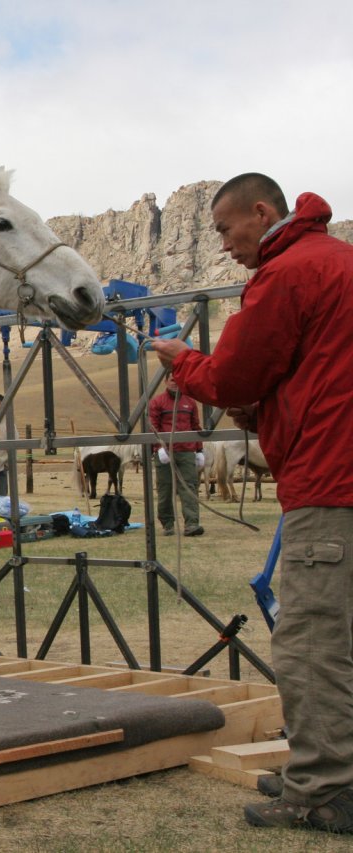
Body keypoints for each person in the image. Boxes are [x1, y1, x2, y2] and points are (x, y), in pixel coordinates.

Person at [153, 173, 353, 834]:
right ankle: (322, 772)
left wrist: (183, 361)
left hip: (329, 482)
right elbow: (320, 376)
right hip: (338, 470)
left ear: (260, 213)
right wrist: (269, 410)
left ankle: (322, 789)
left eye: (224, 229)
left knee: (311, 642)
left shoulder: (287, 272)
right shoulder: (338, 262)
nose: (222, 244)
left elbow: (235, 374)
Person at [147, 376, 204, 537]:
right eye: (172, 380)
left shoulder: (190, 402)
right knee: (165, 489)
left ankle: (192, 524)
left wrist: (199, 450)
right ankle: (167, 524)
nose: (175, 383)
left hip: (186, 452)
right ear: (166, 382)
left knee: (189, 487)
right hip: (165, 453)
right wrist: (159, 448)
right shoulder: (157, 402)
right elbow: (153, 427)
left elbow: (195, 426)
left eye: (178, 380)